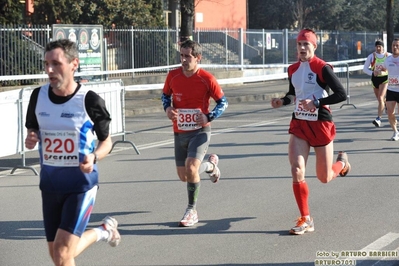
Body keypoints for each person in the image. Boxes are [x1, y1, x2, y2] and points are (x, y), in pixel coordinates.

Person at [24, 39, 121, 266]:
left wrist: (94, 156)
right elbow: (33, 128)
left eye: (56, 63)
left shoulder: (89, 100)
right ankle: (104, 231)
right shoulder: (38, 96)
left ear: (73, 64)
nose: (49, 70)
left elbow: (107, 142)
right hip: (50, 185)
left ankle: (103, 231)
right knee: (58, 255)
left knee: (63, 252)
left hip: (81, 185)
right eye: (46, 64)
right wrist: (31, 136)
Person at [270, 28, 351, 235]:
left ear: (314, 46)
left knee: (324, 177)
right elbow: (292, 94)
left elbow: (341, 94)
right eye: (299, 45)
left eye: (306, 44)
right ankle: (305, 218)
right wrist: (282, 101)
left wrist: (316, 102)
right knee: (297, 169)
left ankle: (342, 163)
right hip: (299, 124)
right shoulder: (292, 69)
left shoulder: (322, 68)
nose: (302, 48)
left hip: (321, 123)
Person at [161, 39, 228, 227]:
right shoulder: (173, 76)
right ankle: (210, 166)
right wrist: (167, 109)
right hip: (179, 131)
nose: (183, 60)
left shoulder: (207, 78)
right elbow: (165, 95)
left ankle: (192, 210)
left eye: (187, 56)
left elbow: (223, 102)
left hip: (200, 131)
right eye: (181, 55)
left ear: (198, 58)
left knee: (191, 169)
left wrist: (209, 116)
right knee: (184, 176)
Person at [362, 39, 390, 127]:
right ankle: (385, 104)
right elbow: (364, 69)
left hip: (385, 79)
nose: (378, 48)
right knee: (379, 99)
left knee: (381, 97)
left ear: (383, 47)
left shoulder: (388, 55)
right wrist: (372, 73)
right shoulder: (372, 56)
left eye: (380, 46)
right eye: (377, 46)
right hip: (375, 80)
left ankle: (378, 119)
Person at [378, 38, 399, 141]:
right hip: (391, 89)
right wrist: (379, 72)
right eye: (393, 45)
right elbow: (384, 70)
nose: (395, 47)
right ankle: (395, 131)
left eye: (397, 45)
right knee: (390, 113)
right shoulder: (388, 59)